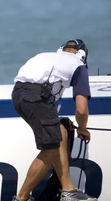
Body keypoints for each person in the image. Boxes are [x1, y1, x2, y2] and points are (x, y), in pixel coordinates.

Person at [11, 40, 97, 201]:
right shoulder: (78, 65)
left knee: (59, 131)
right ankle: (21, 198)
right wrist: (82, 129)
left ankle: (68, 189)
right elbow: (81, 108)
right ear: (83, 56)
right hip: (36, 98)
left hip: (17, 95)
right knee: (50, 147)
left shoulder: (45, 56)